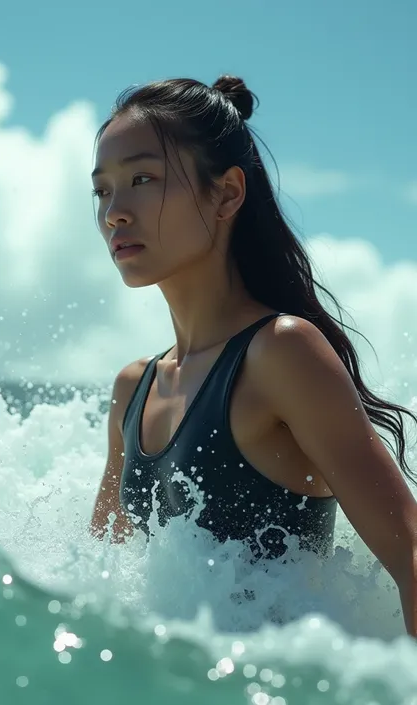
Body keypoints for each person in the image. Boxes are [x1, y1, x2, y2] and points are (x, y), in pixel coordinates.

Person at [89, 75, 417, 635]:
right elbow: (98, 584)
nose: (115, 211)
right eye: (102, 190)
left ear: (228, 193)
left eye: (143, 179)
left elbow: (410, 556)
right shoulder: (134, 387)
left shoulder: (281, 353)